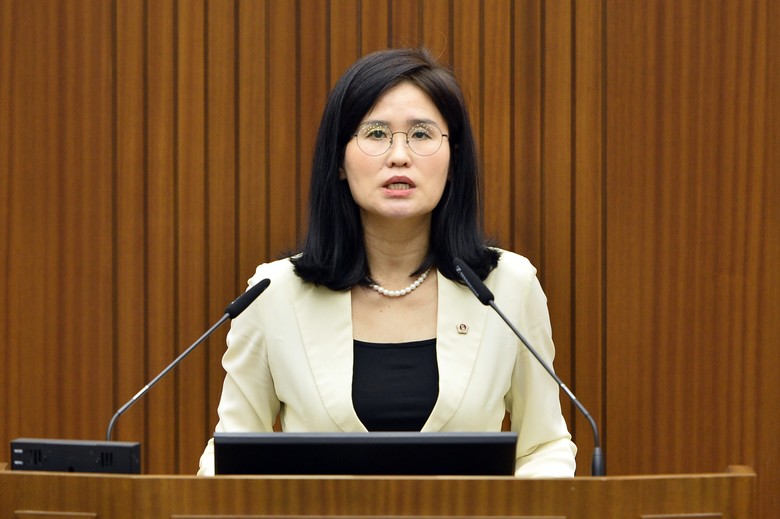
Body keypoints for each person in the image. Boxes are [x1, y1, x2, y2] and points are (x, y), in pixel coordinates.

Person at [197, 48, 577, 477]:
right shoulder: (274, 293)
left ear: (453, 160)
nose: (399, 155)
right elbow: (230, 454)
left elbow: (544, 447)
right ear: (339, 161)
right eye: (376, 133)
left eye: (421, 134)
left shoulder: (506, 286)